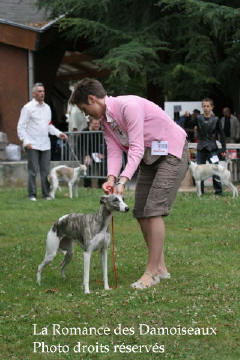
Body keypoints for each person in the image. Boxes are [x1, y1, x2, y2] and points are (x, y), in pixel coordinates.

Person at [69, 78, 189, 289]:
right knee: (140, 211)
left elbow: (136, 147)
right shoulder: (106, 122)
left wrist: (124, 179)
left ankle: (150, 273)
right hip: (149, 158)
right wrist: (111, 178)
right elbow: (114, 152)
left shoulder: (128, 106)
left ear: (92, 98)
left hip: (172, 152)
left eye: (84, 109)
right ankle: (160, 267)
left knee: (153, 210)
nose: (86, 114)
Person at [17, 82, 68, 201]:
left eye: (43, 91)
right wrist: (25, 141)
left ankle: (46, 194)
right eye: (39, 91)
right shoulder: (27, 108)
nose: (42, 93)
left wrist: (58, 133)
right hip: (32, 144)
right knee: (33, 171)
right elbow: (21, 126)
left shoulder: (47, 108)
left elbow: (49, 125)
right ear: (34, 94)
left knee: (45, 171)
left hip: (46, 144)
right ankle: (32, 194)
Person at [193, 98, 226, 195]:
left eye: (208, 106)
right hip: (201, 148)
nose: (206, 108)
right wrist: (187, 118)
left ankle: (219, 192)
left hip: (213, 148)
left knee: (215, 170)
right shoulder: (198, 118)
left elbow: (222, 134)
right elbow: (189, 125)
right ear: (202, 107)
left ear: (212, 107)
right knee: (199, 171)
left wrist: (223, 148)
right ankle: (200, 192)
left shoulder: (216, 119)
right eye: (204, 106)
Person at [82, 117, 106, 188]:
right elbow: (80, 145)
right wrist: (86, 155)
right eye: (95, 123)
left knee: (104, 164)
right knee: (87, 164)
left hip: (98, 154)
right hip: (87, 154)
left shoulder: (102, 131)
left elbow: (106, 144)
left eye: (98, 123)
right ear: (90, 123)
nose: (97, 125)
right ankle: (87, 186)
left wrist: (103, 154)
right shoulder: (84, 131)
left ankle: (101, 185)